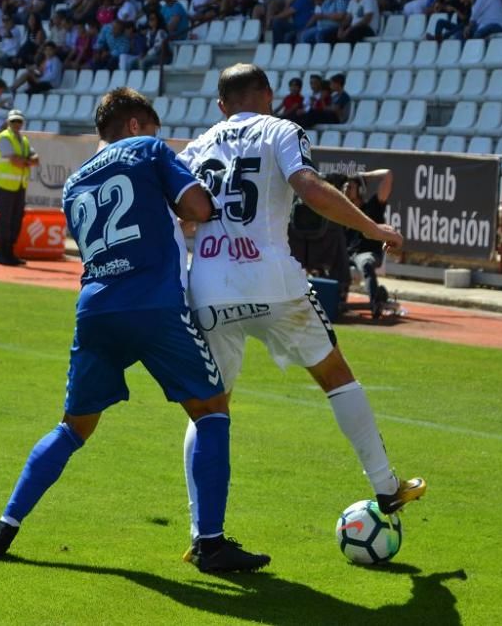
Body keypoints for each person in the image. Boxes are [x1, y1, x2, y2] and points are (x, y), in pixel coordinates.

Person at [0, 87, 271, 574]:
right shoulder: (149, 150)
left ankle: (4, 529)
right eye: (153, 128)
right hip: (154, 303)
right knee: (212, 411)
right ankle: (212, 545)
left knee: (73, 428)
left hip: (95, 308)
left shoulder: (73, 183)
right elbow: (198, 208)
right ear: (136, 126)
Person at [177, 64, 426, 554]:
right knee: (336, 376)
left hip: (206, 284)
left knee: (209, 411)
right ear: (268, 96)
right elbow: (310, 188)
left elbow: (178, 211)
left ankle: (202, 533)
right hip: (273, 281)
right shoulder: (282, 129)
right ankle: (384, 485)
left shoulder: (198, 146)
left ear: (221, 105)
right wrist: (373, 230)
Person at [339, 170, 394, 319]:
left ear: (360, 190)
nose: (345, 190)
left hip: (368, 253)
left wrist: (365, 176)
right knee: (333, 262)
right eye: (344, 187)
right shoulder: (341, 212)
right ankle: (337, 304)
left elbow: (388, 175)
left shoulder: (373, 207)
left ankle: (375, 305)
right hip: (348, 255)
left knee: (365, 263)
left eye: (350, 187)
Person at [0, 109, 39, 267]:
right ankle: (2, 253)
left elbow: (36, 159)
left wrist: (24, 160)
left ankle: (9, 252)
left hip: (19, 184)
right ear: (8, 122)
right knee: (5, 219)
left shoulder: (23, 140)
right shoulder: (5, 137)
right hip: (6, 185)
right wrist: (27, 161)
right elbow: (14, 161)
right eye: (13, 121)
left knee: (16, 219)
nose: (16, 124)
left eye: (19, 121)